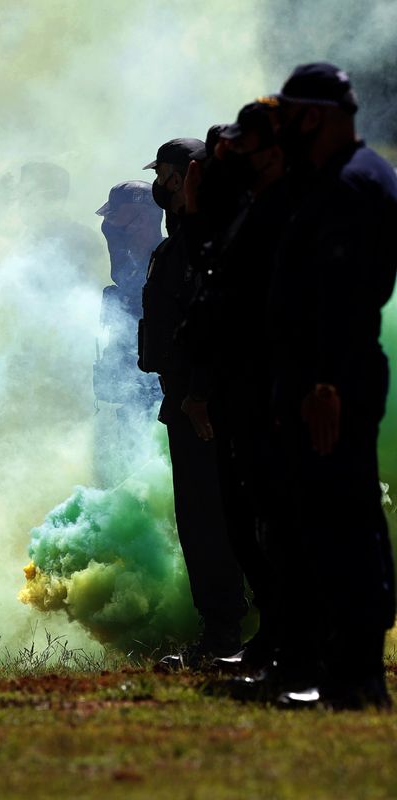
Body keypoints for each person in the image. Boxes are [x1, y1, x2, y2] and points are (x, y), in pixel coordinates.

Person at [262, 64, 397, 708]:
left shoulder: (352, 185)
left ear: (313, 116)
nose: (279, 125)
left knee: (344, 521)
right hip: (323, 376)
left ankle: (358, 676)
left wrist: (324, 381)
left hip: (333, 381)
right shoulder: (330, 180)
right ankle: (340, 668)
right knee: (324, 521)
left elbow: (345, 299)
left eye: (287, 113)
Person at [180, 100, 290, 674]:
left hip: (260, 392)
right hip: (232, 391)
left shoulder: (268, 218)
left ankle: (304, 648)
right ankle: (272, 641)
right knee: (242, 524)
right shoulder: (224, 225)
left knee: (267, 522)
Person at [139, 139, 247, 668]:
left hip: (208, 407)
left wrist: (200, 394)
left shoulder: (209, 241)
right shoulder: (183, 239)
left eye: (164, 174)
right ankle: (229, 632)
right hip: (188, 403)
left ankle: (228, 635)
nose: (158, 184)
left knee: (215, 519)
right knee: (204, 518)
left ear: (185, 177)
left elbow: (216, 326)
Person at [93, 180, 163, 485]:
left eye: (119, 220)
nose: (111, 229)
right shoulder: (132, 267)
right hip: (130, 394)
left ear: (145, 219)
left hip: (159, 394)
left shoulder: (166, 261)